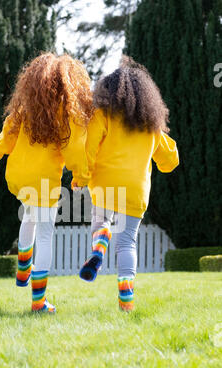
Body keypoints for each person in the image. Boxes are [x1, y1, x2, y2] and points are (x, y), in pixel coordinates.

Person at [0, 53, 93, 313]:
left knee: (28, 217)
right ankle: (39, 302)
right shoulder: (67, 113)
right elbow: (75, 150)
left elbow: (3, 139)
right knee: (46, 234)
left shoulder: (22, 110)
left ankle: (23, 269)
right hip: (43, 182)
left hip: (18, 177)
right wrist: (80, 177)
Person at [79, 56, 179, 312]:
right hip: (136, 189)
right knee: (127, 242)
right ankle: (126, 296)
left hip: (105, 183)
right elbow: (169, 159)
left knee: (101, 222)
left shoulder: (102, 115)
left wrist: (80, 176)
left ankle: (98, 248)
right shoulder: (150, 124)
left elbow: (88, 149)